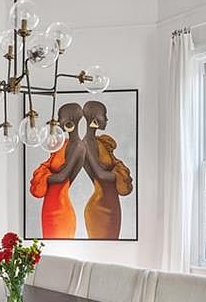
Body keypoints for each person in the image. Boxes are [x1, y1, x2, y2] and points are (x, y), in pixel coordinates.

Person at [29, 103, 86, 238]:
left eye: (61, 118)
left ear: (71, 119)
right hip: (49, 206)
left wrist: (45, 175)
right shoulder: (64, 144)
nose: (58, 122)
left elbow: (61, 177)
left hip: (60, 210)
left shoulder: (78, 146)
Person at [81, 100, 133, 239]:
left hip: (113, 206)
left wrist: (116, 171)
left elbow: (106, 171)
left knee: (114, 245)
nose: (106, 119)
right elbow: (100, 174)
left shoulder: (100, 142)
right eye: (104, 115)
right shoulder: (86, 144)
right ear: (94, 118)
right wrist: (118, 172)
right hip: (100, 208)